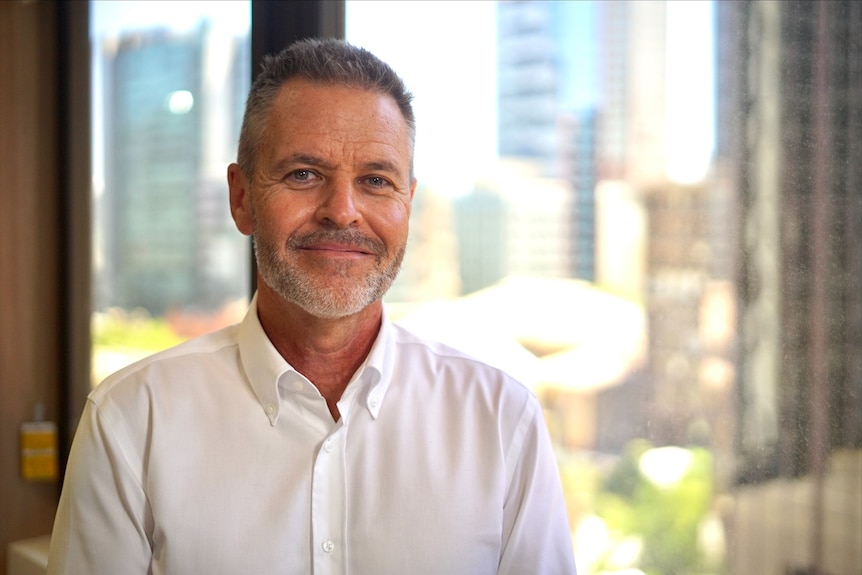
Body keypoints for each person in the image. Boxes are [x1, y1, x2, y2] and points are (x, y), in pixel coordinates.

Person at [47, 38, 577, 575]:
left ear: (407, 205)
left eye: (376, 180)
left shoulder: (501, 419)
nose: (342, 212)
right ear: (242, 197)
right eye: (303, 174)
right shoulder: (132, 421)